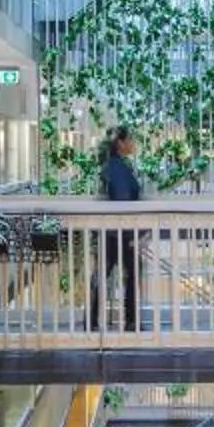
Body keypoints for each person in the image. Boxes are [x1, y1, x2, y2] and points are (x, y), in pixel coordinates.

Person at [90, 126, 141, 333]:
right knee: (127, 272)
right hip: (119, 231)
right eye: (130, 140)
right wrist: (131, 233)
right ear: (120, 143)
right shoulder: (117, 168)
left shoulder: (113, 166)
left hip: (111, 231)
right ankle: (129, 321)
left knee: (104, 274)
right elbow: (123, 200)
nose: (133, 143)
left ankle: (92, 320)